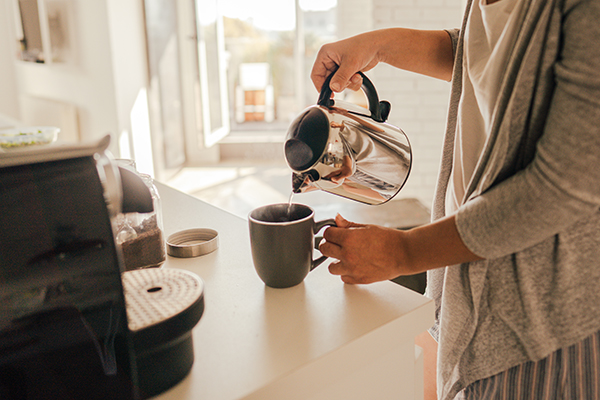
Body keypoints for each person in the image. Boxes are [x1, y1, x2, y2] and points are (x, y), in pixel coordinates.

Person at [312, 0, 600, 399]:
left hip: (541, 323)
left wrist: (405, 252)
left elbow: (558, 191)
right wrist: (378, 45)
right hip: (470, 276)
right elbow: (486, 52)